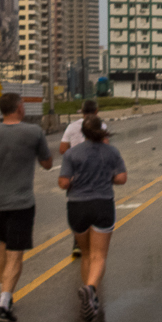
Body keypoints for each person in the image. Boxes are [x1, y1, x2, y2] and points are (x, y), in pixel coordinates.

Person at [0, 93, 53, 322]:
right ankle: (4, 304)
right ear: (18, 107)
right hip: (21, 201)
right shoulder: (34, 132)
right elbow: (48, 164)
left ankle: (4, 289)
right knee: (16, 251)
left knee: (3, 244)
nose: (24, 107)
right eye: (23, 104)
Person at [58, 115, 127, 322]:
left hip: (77, 207)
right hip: (102, 204)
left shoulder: (71, 153)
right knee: (99, 255)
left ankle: (88, 291)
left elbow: (63, 183)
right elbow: (122, 178)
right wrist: (107, 177)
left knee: (86, 254)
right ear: (102, 132)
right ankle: (91, 290)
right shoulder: (112, 151)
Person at [59, 99, 108, 256]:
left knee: (78, 203)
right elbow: (106, 147)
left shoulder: (72, 127)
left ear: (81, 111)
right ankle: (95, 239)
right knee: (96, 202)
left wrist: (74, 155)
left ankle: (78, 243)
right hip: (96, 170)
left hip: (76, 170)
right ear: (96, 111)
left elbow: (62, 149)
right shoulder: (101, 125)